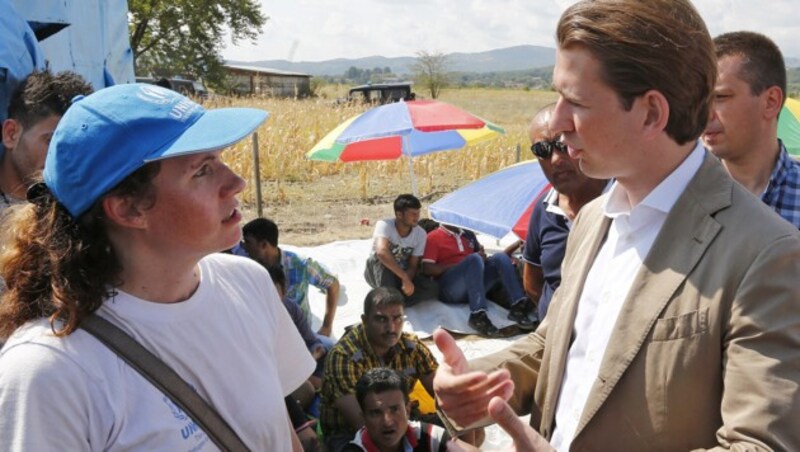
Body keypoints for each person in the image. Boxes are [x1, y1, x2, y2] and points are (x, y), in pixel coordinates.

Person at [432, 0, 800, 450]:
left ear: (650, 113)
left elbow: (759, 445)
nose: (559, 124)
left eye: (577, 102)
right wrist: (480, 380)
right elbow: (560, 345)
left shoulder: (766, 252)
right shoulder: (592, 218)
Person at [0, 83, 315, 450]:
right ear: (128, 209)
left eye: (220, 160)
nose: (236, 182)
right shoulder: (49, 373)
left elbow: (280, 436)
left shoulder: (248, 284)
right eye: (202, 170)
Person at [320, 287, 438, 451]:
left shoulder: (411, 347)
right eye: (381, 319)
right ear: (365, 320)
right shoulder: (344, 356)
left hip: (401, 424)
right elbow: (362, 424)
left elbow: (442, 393)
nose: (391, 328)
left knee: (464, 426)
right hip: (348, 435)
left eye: (397, 318)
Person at [702, 31, 800, 229]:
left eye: (720, 97)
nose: (704, 114)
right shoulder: (683, 193)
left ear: (771, 102)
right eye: (700, 100)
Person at [522, 103, 608, 321]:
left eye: (563, 145)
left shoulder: (624, 201)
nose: (556, 160)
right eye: (542, 150)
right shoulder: (544, 209)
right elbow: (533, 283)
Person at [1, 70, 92, 215]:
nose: (63, 157)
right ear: (11, 134)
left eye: (75, 146)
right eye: (51, 141)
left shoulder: (80, 215)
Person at [422, 224, 535, 337]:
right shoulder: (433, 237)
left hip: (472, 284)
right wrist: (461, 265)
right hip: (450, 289)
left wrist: (483, 258)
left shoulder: (468, 235)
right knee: (474, 259)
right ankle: (477, 315)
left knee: (500, 257)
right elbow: (427, 268)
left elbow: (477, 260)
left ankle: (518, 306)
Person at [242, 217, 341, 337]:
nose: (244, 247)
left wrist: (326, 327)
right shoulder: (248, 267)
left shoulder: (300, 265)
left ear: (264, 244)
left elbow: (333, 285)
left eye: (247, 242)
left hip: (298, 335)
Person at [343, 368, 469, 452]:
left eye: (394, 409)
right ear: (363, 417)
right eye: (376, 413)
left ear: (408, 410)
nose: (387, 422)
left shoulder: (427, 435)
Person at [364, 194, 438, 305]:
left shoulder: (420, 233)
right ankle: (391, 299)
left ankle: (394, 299)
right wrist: (404, 278)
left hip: (401, 274)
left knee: (432, 288)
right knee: (382, 262)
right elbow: (381, 251)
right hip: (379, 271)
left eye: (418, 213)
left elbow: (413, 264)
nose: (417, 217)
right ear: (399, 214)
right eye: (413, 214)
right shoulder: (385, 225)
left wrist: (407, 280)